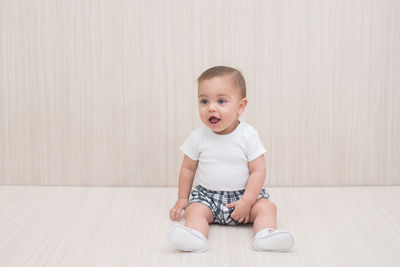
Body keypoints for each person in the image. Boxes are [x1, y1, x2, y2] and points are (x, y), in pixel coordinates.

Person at [167, 66, 295, 252]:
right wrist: (182, 198)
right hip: (207, 197)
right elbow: (187, 168)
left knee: (267, 208)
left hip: (244, 196)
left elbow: (258, 171)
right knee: (194, 211)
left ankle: (265, 235)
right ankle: (195, 236)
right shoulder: (197, 137)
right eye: (204, 101)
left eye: (221, 101)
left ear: (240, 106)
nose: (211, 107)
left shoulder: (248, 136)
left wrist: (247, 202)